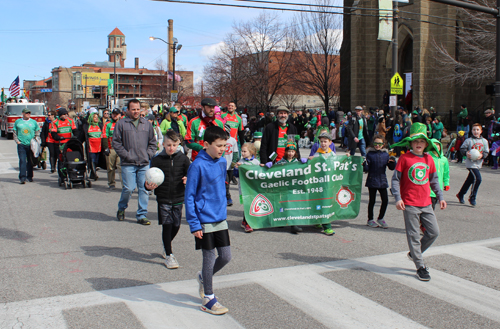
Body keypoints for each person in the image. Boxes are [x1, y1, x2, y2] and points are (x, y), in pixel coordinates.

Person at [390, 122, 447, 281]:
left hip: (426, 203)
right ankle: (420, 266)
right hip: (410, 204)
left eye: (421, 141)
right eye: (415, 141)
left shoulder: (429, 159)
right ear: (410, 143)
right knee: (414, 235)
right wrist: (398, 198)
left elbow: (434, 181)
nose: (418, 144)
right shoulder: (404, 158)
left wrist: (440, 197)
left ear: (426, 144)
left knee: (434, 232)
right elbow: (395, 180)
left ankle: (414, 254)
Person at [185, 126, 232, 315]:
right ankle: (209, 298)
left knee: (226, 256)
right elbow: (189, 196)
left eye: (224, 145)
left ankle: (204, 278)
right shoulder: (197, 165)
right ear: (206, 144)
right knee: (209, 257)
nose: (222, 149)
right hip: (203, 219)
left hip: (220, 217)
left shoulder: (221, 162)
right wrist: (194, 223)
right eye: (219, 145)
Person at [145, 130, 190, 269]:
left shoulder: (183, 159)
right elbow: (150, 178)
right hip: (163, 198)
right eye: (169, 145)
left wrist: (187, 180)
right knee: (167, 225)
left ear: (179, 144)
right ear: (163, 144)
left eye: (174, 145)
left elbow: (190, 175)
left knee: (176, 225)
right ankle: (169, 256)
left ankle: (167, 244)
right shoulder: (157, 160)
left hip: (178, 196)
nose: (171, 148)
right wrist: (147, 186)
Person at [113, 99, 157, 225]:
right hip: (128, 163)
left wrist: (148, 154)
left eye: (138, 109)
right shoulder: (121, 124)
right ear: (127, 110)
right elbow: (116, 142)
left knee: (144, 189)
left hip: (143, 163)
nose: (136, 111)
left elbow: (153, 143)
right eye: (133, 109)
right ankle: (121, 208)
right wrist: (126, 155)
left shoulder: (146, 124)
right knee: (129, 188)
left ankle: (142, 215)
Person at [363, 135, 396, 228]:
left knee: (385, 200)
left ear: (383, 144)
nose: (377, 145)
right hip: (372, 180)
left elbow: (391, 168)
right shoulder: (370, 154)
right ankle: (370, 219)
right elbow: (367, 169)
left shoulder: (386, 154)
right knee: (372, 201)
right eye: (375, 143)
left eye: (379, 143)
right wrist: (364, 164)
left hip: (382, 180)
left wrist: (392, 162)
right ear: (373, 144)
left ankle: (380, 218)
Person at [456, 123, 489, 207]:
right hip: (470, 164)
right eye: (474, 129)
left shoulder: (484, 141)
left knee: (470, 180)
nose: (476, 131)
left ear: (481, 131)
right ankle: (472, 197)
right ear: (471, 131)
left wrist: (482, 155)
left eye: (477, 130)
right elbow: (462, 149)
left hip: (478, 163)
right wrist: (466, 153)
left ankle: (460, 194)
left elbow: (486, 151)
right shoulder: (469, 140)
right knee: (478, 179)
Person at [310, 133, 336, 235]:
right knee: (318, 202)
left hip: (328, 184)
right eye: (321, 141)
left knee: (326, 204)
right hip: (318, 183)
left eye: (325, 141)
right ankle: (317, 220)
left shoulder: (332, 154)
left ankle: (327, 226)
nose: (323, 143)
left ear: (330, 142)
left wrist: (346, 157)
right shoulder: (317, 154)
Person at [233, 143, 260, 233]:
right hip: (244, 188)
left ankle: (245, 221)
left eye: (245, 151)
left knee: (252, 204)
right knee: (247, 205)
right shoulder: (241, 162)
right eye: (242, 151)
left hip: (253, 187)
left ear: (251, 152)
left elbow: (260, 174)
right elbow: (236, 175)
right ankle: (248, 223)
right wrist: (236, 169)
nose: (243, 153)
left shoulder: (256, 162)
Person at [13, 108, 40, 184]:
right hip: (21, 144)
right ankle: (22, 177)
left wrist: (36, 139)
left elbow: (37, 130)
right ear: (23, 114)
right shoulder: (18, 122)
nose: (28, 114)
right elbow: (15, 132)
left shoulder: (33, 122)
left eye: (29, 113)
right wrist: (17, 141)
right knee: (22, 160)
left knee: (30, 161)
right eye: (26, 113)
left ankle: (30, 176)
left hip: (31, 144)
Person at [50, 108, 78, 181]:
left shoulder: (70, 121)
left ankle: (72, 173)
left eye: (66, 114)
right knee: (61, 160)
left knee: (71, 157)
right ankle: (62, 176)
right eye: (64, 114)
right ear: (60, 115)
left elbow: (75, 130)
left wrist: (75, 136)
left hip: (69, 143)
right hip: (60, 143)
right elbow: (53, 133)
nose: (66, 115)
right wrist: (58, 138)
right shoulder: (56, 122)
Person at [429, 139, 450, 210]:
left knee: (432, 209)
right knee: (429, 209)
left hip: (437, 189)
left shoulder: (444, 159)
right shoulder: (428, 158)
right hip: (428, 189)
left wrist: (446, 183)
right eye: (433, 144)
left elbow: (446, 173)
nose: (436, 146)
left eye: (437, 144)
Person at [104, 109, 122, 189]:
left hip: (121, 149)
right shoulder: (108, 124)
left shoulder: (123, 123)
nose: (115, 116)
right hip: (111, 148)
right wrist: (105, 148)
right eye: (113, 114)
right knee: (110, 167)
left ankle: (124, 184)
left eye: (117, 114)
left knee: (121, 167)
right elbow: (104, 136)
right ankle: (111, 183)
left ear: (119, 115)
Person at [84, 112, 104, 180]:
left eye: (97, 117)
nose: (96, 118)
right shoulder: (87, 126)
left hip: (99, 147)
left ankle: (93, 173)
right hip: (91, 147)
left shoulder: (100, 125)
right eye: (95, 117)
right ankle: (94, 173)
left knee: (96, 161)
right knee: (92, 159)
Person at [223, 124, 238, 207]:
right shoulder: (220, 140)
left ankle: (226, 196)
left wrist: (234, 161)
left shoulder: (233, 140)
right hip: (222, 166)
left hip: (230, 166)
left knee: (227, 182)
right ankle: (228, 197)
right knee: (225, 183)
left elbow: (235, 152)